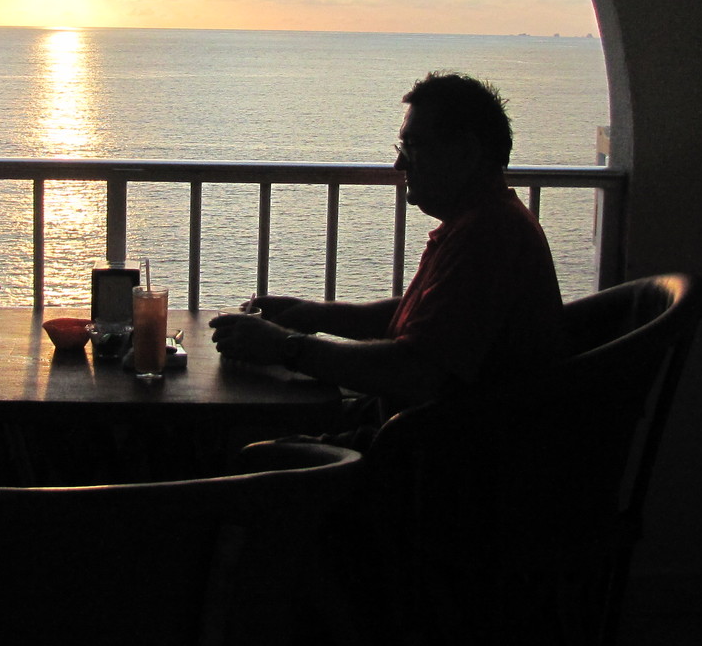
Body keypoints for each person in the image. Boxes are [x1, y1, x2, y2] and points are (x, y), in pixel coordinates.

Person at [208, 71, 567, 427]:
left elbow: (414, 370)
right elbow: (428, 319)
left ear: (467, 152)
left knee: (228, 436)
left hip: (425, 460)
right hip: (409, 433)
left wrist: (286, 346)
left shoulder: (488, 239)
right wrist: (312, 314)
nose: (399, 164)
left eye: (412, 146)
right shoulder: (482, 223)